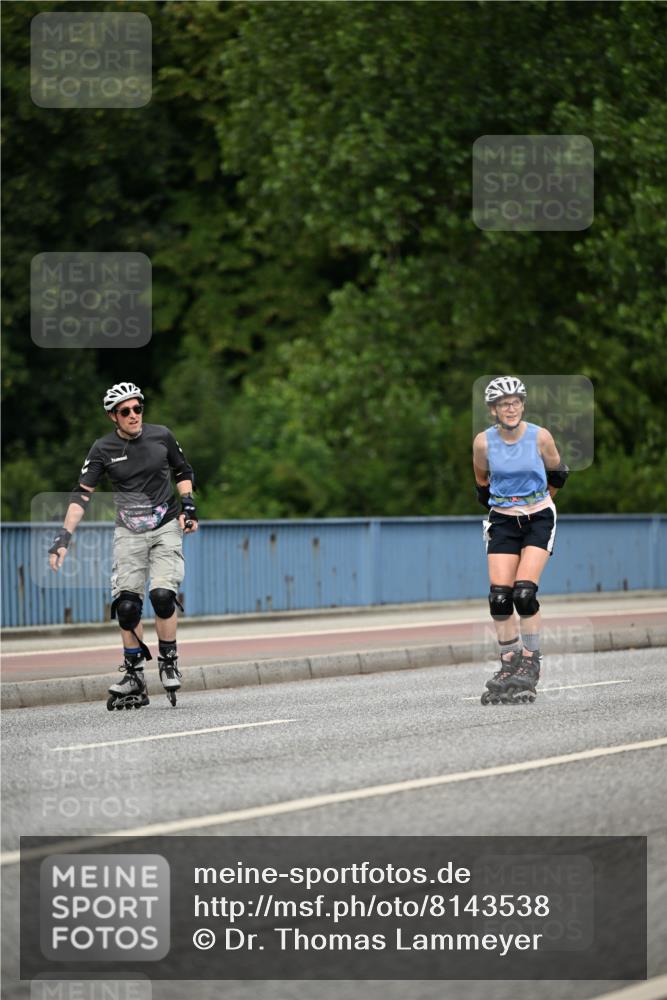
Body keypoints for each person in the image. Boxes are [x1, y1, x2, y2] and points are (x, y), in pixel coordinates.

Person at [48, 382, 198, 709]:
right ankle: (134, 675)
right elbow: (82, 494)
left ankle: (168, 661)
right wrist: (63, 538)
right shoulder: (102, 449)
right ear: (112, 416)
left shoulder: (162, 436)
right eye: (125, 411)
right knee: (127, 606)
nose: (133, 415)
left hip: (165, 527)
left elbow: (183, 471)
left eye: (137, 408)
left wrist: (188, 507)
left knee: (162, 595)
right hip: (128, 532)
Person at [472, 376, 569, 702]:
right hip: (502, 520)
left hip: (539, 518)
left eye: (515, 402)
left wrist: (539, 501)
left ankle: (531, 662)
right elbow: (482, 483)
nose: (510, 408)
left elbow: (558, 473)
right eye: (503, 404)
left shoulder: (540, 437)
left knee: (524, 594)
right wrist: (506, 507)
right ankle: (508, 661)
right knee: (500, 598)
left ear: (522, 405)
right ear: (493, 410)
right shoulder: (483, 443)